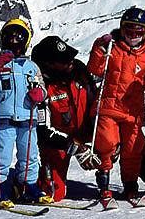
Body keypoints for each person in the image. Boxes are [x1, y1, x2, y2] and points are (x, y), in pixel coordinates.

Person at [87, 7, 145, 202]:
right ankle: (104, 181)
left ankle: (130, 185)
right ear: (121, 29)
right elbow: (95, 68)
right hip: (108, 106)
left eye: (138, 31)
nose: (133, 35)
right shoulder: (112, 47)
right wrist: (100, 48)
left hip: (133, 112)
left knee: (133, 149)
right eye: (129, 30)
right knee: (106, 142)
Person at [0, 18, 48, 209]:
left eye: (18, 36)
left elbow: (42, 86)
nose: (14, 40)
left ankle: (26, 186)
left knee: (30, 154)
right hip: (2, 116)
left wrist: (40, 93)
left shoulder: (31, 67)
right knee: (2, 155)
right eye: (9, 36)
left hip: (27, 117)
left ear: (25, 41)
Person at [30, 35, 98, 202]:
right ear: (49, 64)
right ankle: (27, 182)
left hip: (87, 131)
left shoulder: (80, 71)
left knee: (120, 140)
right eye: (64, 60)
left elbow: (97, 103)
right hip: (58, 142)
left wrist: (108, 141)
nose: (71, 62)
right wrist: (76, 148)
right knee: (52, 194)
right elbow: (43, 131)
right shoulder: (39, 84)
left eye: (70, 56)